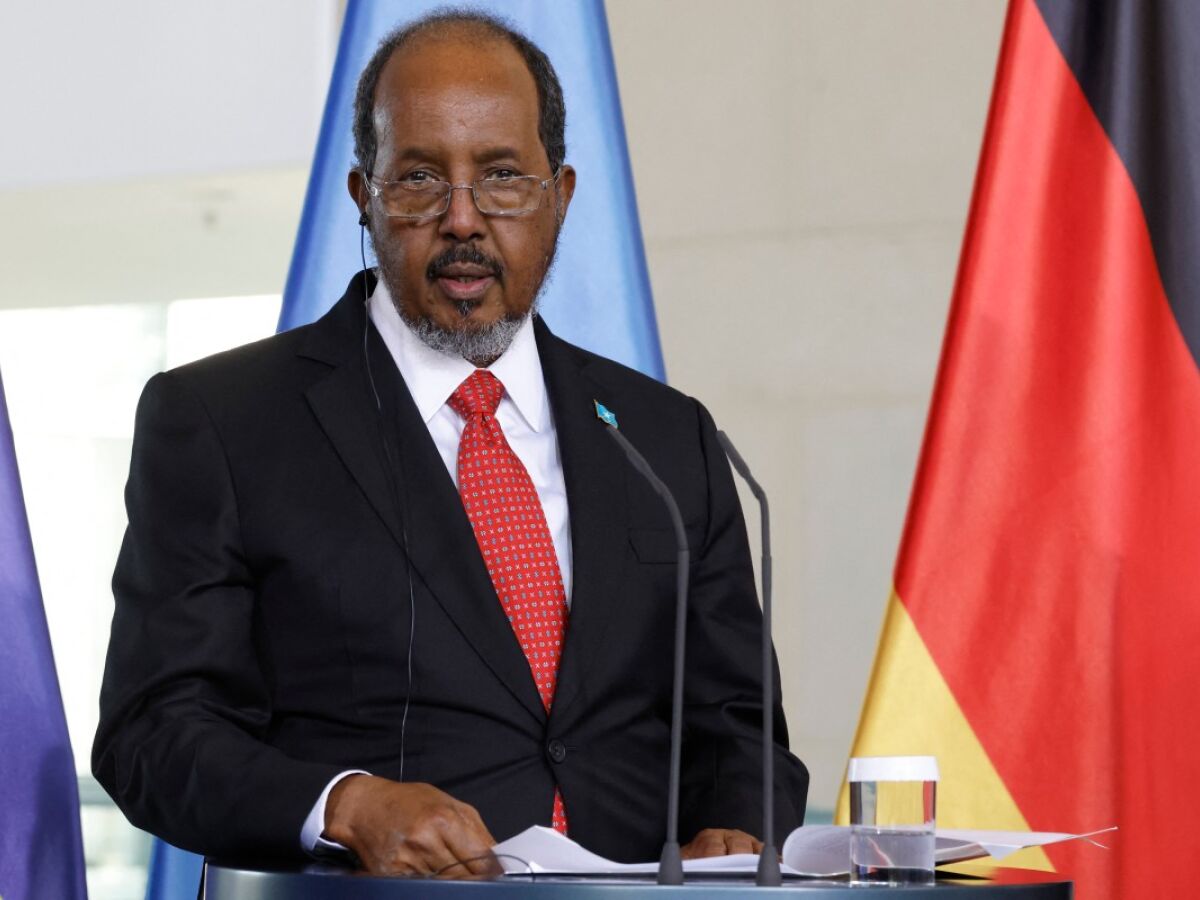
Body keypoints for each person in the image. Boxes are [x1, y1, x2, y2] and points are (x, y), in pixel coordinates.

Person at [93, 10, 808, 878]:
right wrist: (345, 805)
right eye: (421, 179)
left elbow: (739, 723)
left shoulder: (665, 437)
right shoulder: (221, 420)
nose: (463, 219)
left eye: (503, 177)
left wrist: (737, 825)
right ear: (364, 197)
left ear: (561, 196)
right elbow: (154, 733)